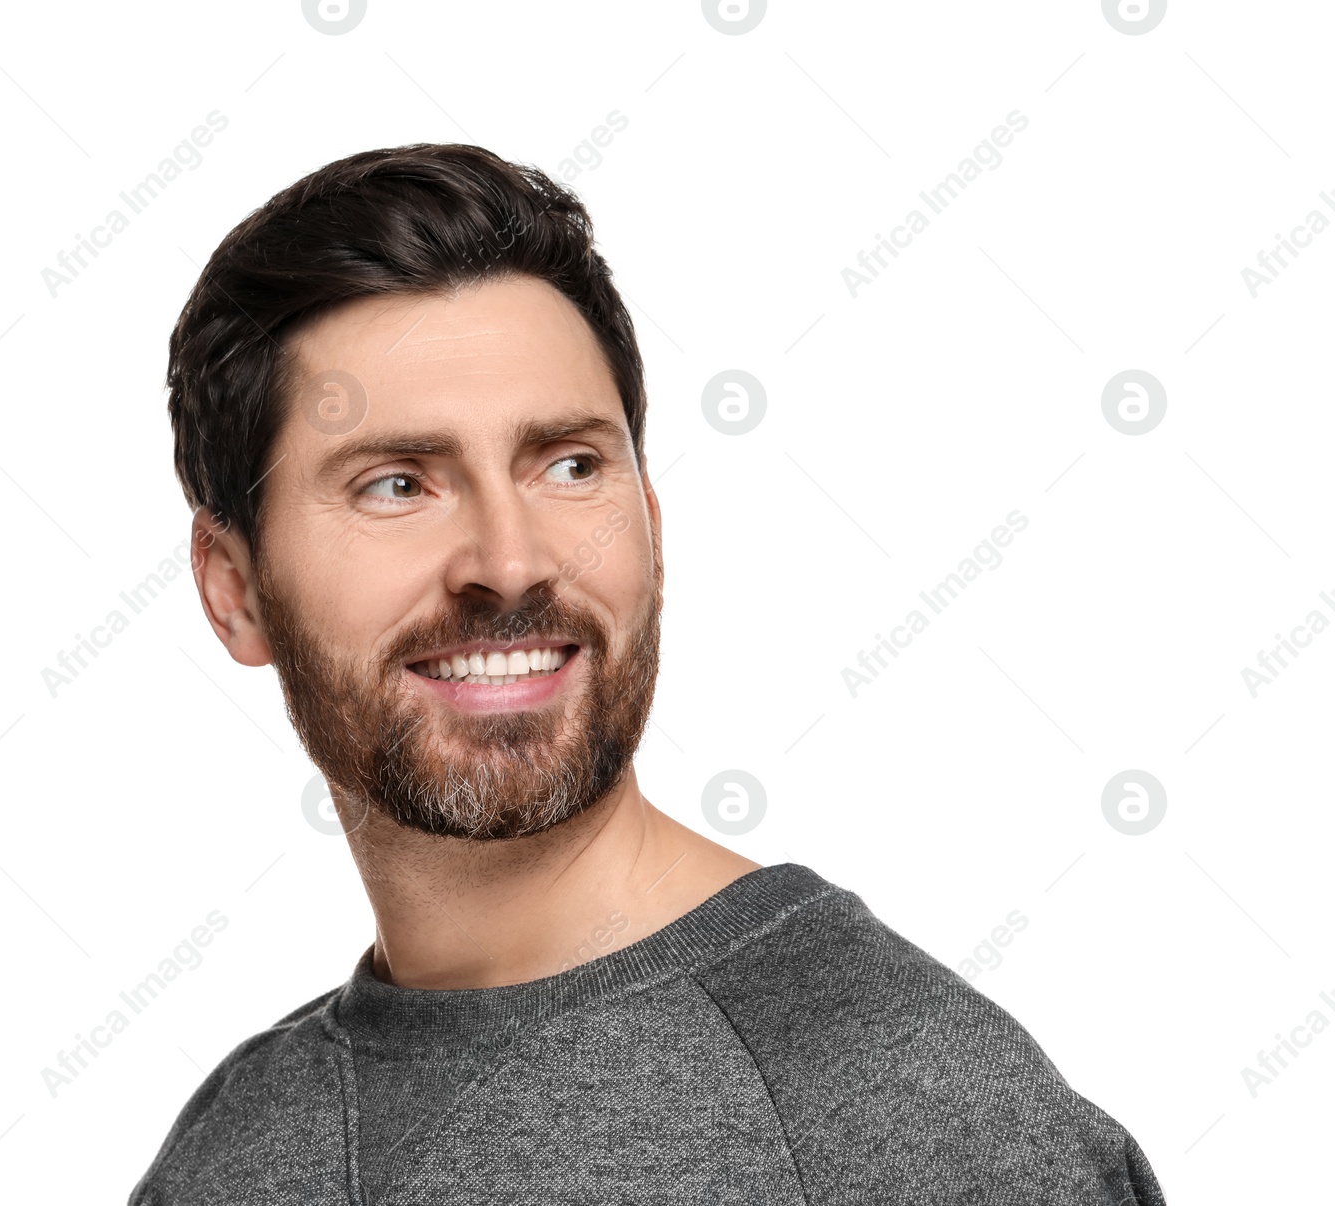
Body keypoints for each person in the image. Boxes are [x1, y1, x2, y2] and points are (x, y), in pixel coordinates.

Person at [129, 143, 1166, 1205]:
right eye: (399, 484)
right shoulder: (236, 1148)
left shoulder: (913, 1120)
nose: (511, 561)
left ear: (651, 529)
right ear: (234, 589)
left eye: (570, 466)